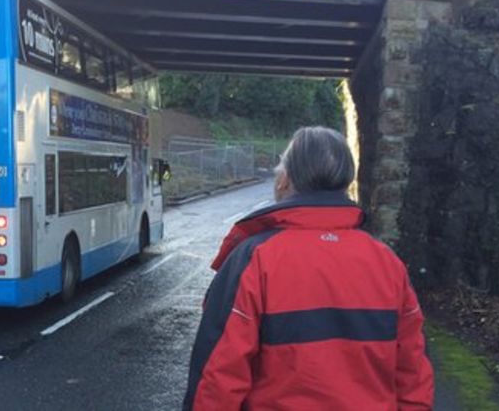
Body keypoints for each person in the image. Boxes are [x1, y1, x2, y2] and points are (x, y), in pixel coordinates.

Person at [183, 126, 434, 410]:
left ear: (285, 180)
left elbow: (218, 376)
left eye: (280, 167)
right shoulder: (387, 262)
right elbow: (413, 371)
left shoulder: (255, 259)